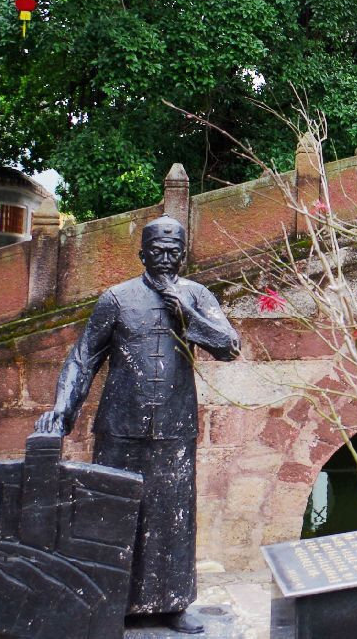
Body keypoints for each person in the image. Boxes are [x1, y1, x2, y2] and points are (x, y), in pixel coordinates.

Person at [34, 215, 240, 634]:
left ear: (183, 255)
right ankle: (114, 605)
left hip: (174, 427)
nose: (165, 259)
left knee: (173, 518)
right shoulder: (117, 298)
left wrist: (187, 316)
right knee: (114, 514)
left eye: (173, 252)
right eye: (157, 251)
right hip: (120, 426)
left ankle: (174, 604)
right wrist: (62, 412)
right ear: (142, 254)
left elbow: (229, 346)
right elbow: (83, 358)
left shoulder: (196, 295)